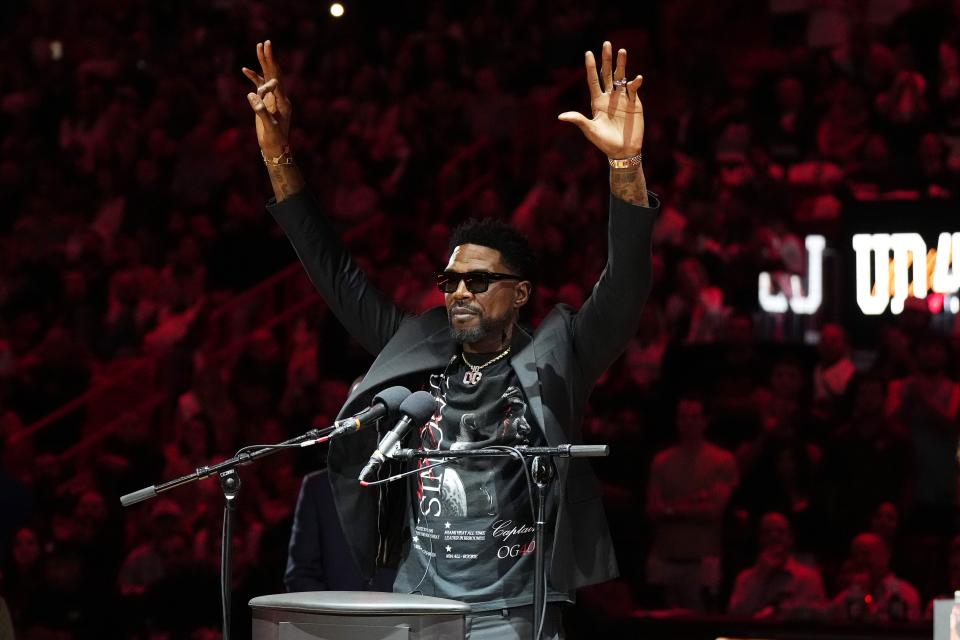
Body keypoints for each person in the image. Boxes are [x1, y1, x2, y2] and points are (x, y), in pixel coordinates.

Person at [243, 39, 656, 638]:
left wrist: (626, 168)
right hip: (418, 604)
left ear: (518, 293)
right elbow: (336, 274)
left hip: (511, 614)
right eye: (451, 280)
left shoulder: (557, 355)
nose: (459, 291)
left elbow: (626, 287)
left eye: (479, 280)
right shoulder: (417, 348)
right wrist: (279, 156)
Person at [645, 394, 738, 612]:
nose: (688, 422)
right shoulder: (662, 460)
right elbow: (653, 509)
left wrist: (670, 507)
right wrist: (696, 500)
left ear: (705, 420)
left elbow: (713, 510)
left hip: (703, 560)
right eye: (683, 417)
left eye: (694, 417)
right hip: (664, 557)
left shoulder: (722, 460)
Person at [728, 512, 826, 619]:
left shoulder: (809, 579)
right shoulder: (745, 578)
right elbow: (735, 617)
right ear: (760, 539)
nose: (774, 536)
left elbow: (818, 619)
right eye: (767, 532)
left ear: (791, 538)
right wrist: (761, 577)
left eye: (780, 532)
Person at [830, 532, 921, 622]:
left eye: (865, 554)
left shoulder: (905, 593)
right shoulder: (848, 595)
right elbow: (830, 614)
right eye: (855, 556)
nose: (859, 560)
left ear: (885, 556)